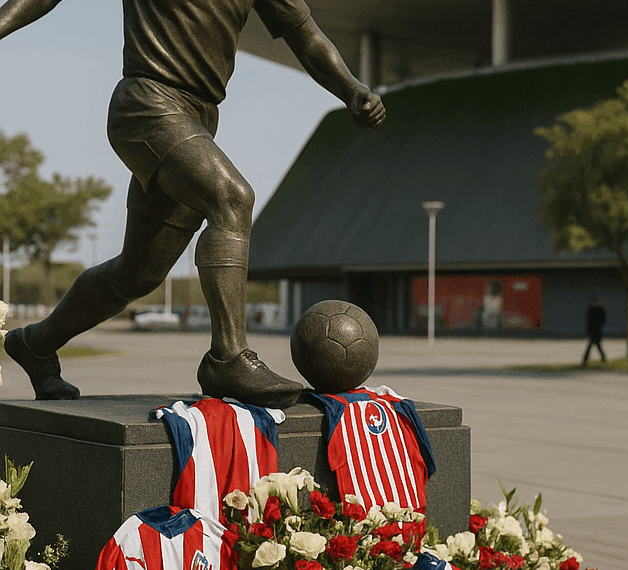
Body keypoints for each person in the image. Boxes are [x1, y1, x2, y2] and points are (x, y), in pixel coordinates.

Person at [0, 0, 384, 408]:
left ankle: (36, 344)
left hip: (197, 118)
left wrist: (351, 88)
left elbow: (305, 36)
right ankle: (228, 357)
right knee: (232, 198)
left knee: (138, 274)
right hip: (147, 103)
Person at [582, 298, 606, 365]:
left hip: (597, 331)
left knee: (596, 346)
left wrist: (599, 327)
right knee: (594, 346)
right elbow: (588, 321)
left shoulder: (600, 310)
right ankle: (585, 360)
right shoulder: (591, 310)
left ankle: (585, 360)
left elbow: (603, 319)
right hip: (592, 332)